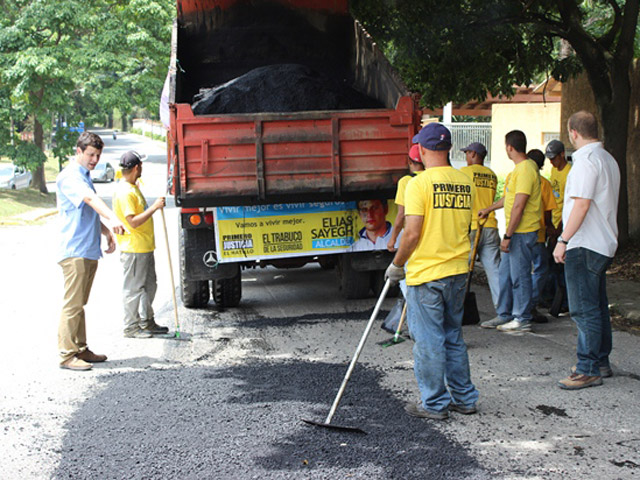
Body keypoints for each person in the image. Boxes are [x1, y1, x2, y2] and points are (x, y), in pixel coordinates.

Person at [385, 122, 478, 420]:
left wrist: (397, 265)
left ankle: (434, 404)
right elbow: (469, 229)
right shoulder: (466, 182)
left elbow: (411, 234)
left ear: (422, 150)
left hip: (426, 274)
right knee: (453, 335)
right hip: (457, 272)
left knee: (428, 341)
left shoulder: (418, 184)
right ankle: (464, 398)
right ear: (448, 148)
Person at [553, 111, 620, 390]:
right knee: (597, 306)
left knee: (583, 309)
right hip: (602, 242)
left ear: (573, 132)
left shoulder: (585, 162)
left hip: (584, 242)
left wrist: (563, 240)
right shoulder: (607, 159)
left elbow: (581, 204)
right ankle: (600, 361)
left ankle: (588, 368)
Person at [56, 132, 126, 371]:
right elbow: (89, 200)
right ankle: (66, 355)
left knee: (80, 304)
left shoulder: (84, 176)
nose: (95, 159)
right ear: (79, 151)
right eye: (90, 154)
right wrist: (112, 216)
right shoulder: (70, 177)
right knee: (72, 304)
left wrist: (106, 232)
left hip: (88, 249)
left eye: (98, 155)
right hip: (74, 250)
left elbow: (87, 213)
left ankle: (81, 348)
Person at [478, 130, 541, 332]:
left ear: (510, 147)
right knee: (504, 274)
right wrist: (489, 208)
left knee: (519, 276)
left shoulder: (525, 170)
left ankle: (522, 318)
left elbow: (519, 206)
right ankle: (504, 314)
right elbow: (510, 199)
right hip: (516, 232)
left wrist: (508, 235)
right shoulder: (518, 170)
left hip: (521, 232)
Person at [112, 151, 168, 338]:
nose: (142, 168)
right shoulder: (125, 192)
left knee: (149, 286)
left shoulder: (132, 187)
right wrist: (154, 207)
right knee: (134, 289)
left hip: (144, 247)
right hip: (134, 249)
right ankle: (131, 327)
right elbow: (132, 222)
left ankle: (147, 322)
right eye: (141, 165)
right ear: (136, 168)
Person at [459, 142, 501, 310]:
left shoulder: (464, 173)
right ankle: (502, 310)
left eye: (467, 153)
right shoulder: (492, 175)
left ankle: (457, 308)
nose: (466, 157)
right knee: (494, 271)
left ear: (474, 154)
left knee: (461, 270)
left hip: (471, 228)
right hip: (490, 226)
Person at [527, 149, 557, 322]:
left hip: (517, 233)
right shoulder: (544, 183)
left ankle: (517, 307)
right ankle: (530, 306)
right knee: (540, 270)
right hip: (537, 234)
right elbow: (547, 212)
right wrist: (549, 229)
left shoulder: (514, 177)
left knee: (521, 271)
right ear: (542, 165)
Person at [387, 144, 425, 253]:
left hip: (412, 234)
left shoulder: (405, 181)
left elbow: (401, 214)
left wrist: (393, 238)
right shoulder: (431, 178)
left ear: (409, 161)